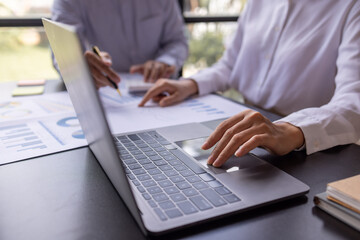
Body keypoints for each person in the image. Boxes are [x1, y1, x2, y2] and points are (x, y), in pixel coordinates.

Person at [139, 0, 360, 167]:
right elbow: (231, 64)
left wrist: (292, 129)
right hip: (247, 133)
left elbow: (353, 103)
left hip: (305, 150)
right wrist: (190, 84)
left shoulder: (351, 7)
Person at [51, 0, 188, 88]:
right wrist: (80, 66)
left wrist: (165, 61)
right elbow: (62, 52)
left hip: (159, 89)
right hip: (105, 93)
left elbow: (178, 41)